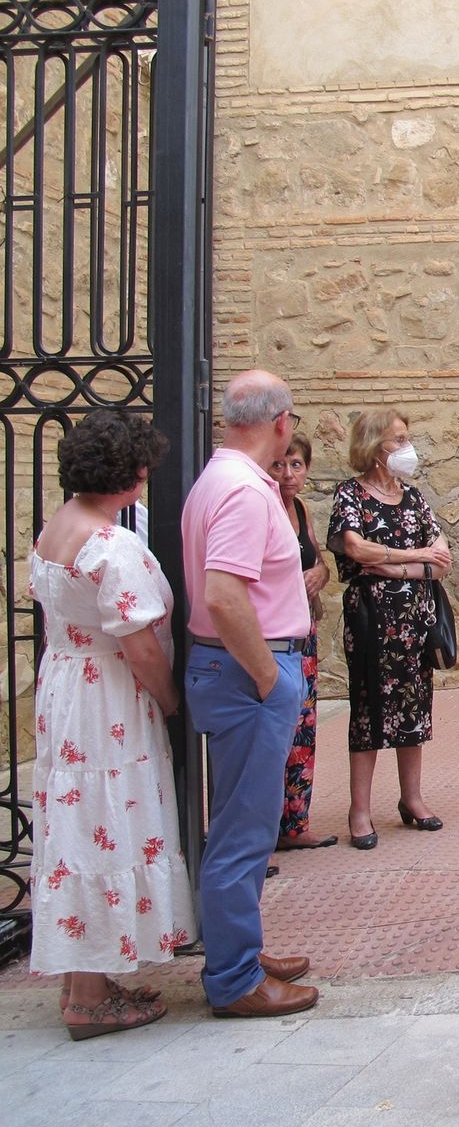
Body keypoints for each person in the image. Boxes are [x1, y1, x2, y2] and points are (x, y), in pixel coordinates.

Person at [28, 410, 194, 1039]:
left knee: (75, 821)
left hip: (67, 684)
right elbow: (140, 644)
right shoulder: (111, 544)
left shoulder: (54, 530)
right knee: (107, 822)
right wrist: (171, 699)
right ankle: (90, 998)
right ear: (132, 473)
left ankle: (83, 975)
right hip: (107, 700)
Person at [181, 370, 317, 1017]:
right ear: (282, 421)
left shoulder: (223, 481)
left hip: (240, 670)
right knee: (242, 830)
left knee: (247, 825)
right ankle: (234, 979)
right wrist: (268, 675)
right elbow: (223, 594)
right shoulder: (242, 492)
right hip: (249, 673)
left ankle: (241, 948)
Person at [327, 408, 451, 849]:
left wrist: (393, 564)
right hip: (371, 620)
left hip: (415, 622)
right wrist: (410, 561)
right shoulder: (350, 495)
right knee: (368, 708)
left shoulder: (414, 498)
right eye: (397, 440)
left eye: (406, 437)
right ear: (374, 446)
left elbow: (442, 558)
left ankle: (411, 799)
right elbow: (356, 549)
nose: (406, 447)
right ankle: (359, 810)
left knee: (414, 706)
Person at [269, 433, 335, 850]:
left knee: (302, 728)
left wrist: (321, 575)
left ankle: (295, 824)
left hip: (304, 635)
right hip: (275, 636)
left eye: (297, 465)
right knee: (273, 731)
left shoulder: (300, 508)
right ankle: (263, 829)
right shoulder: (264, 508)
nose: (289, 474)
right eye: (281, 465)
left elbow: (318, 560)